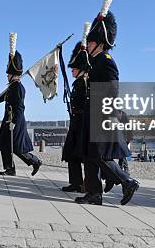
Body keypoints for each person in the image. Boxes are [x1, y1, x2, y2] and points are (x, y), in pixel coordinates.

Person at [76, 0, 139, 206]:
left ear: (100, 43)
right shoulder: (96, 62)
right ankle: (94, 193)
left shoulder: (107, 61)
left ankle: (127, 181)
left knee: (99, 155)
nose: (88, 45)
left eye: (91, 42)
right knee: (90, 155)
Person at [0, 33, 42, 177]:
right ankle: (10, 169)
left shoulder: (18, 87)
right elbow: (0, 97)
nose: (6, 75)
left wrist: (14, 122)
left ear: (12, 74)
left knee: (16, 147)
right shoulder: (11, 87)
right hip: (8, 120)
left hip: (15, 121)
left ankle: (35, 161)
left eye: (8, 73)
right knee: (5, 145)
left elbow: (20, 108)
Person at [61, 23, 91, 192]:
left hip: (83, 122)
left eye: (75, 68)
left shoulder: (86, 83)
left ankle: (85, 183)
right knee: (72, 153)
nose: (72, 70)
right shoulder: (78, 82)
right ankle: (75, 182)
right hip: (75, 121)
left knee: (83, 154)